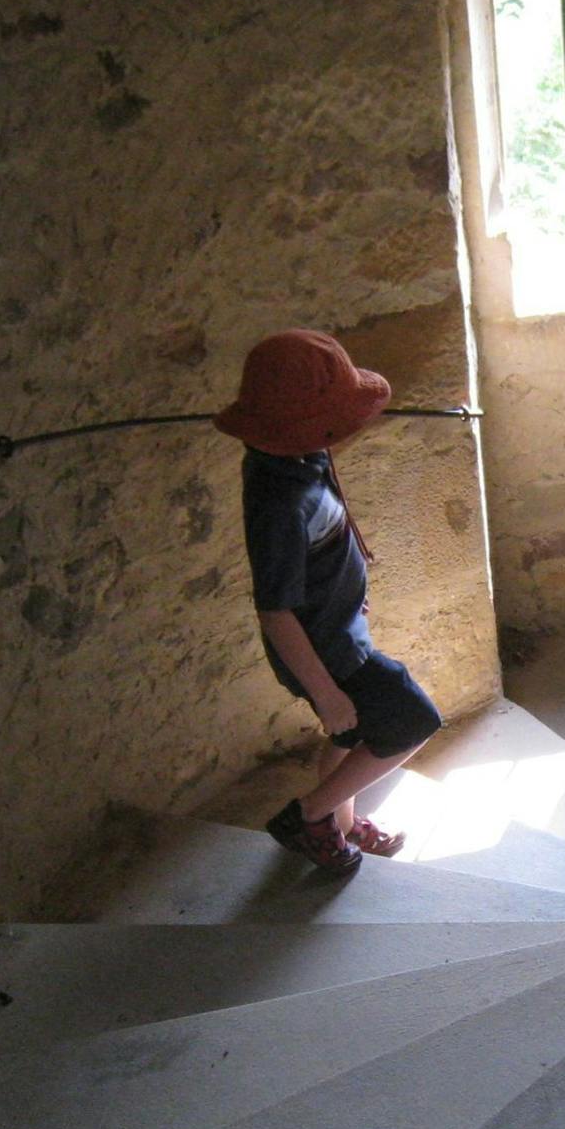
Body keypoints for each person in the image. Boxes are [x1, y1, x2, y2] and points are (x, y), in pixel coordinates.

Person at [213, 328, 441, 876]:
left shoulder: (298, 458)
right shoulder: (279, 503)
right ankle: (311, 818)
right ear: (304, 426)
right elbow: (275, 611)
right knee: (412, 719)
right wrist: (326, 689)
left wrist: (348, 598)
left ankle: (340, 822)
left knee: (348, 733)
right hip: (330, 655)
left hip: (338, 633)